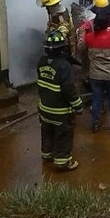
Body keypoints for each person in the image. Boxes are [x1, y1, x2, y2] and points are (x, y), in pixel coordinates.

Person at [37, 30, 83, 171]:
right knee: (63, 134)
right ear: (62, 48)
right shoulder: (64, 66)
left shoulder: (41, 62)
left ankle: (47, 154)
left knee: (47, 131)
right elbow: (68, 89)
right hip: (60, 111)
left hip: (44, 108)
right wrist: (78, 104)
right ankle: (62, 162)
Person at [78, 13, 110, 132]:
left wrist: (82, 35)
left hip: (95, 75)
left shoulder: (89, 37)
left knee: (97, 99)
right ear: (107, 24)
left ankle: (96, 124)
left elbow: (80, 48)